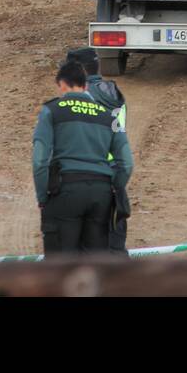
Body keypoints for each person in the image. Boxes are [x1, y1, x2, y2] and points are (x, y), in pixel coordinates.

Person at [33, 58, 134, 255]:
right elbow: (126, 163)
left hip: (65, 191)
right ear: (85, 85)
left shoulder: (51, 110)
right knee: (95, 264)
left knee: (61, 263)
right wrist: (114, 187)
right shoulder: (110, 116)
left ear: (61, 84)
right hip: (101, 193)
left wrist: (42, 196)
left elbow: (40, 160)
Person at [74, 47, 130, 254]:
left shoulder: (78, 98)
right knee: (115, 242)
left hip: (86, 175)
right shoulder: (115, 95)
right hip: (114, 174)